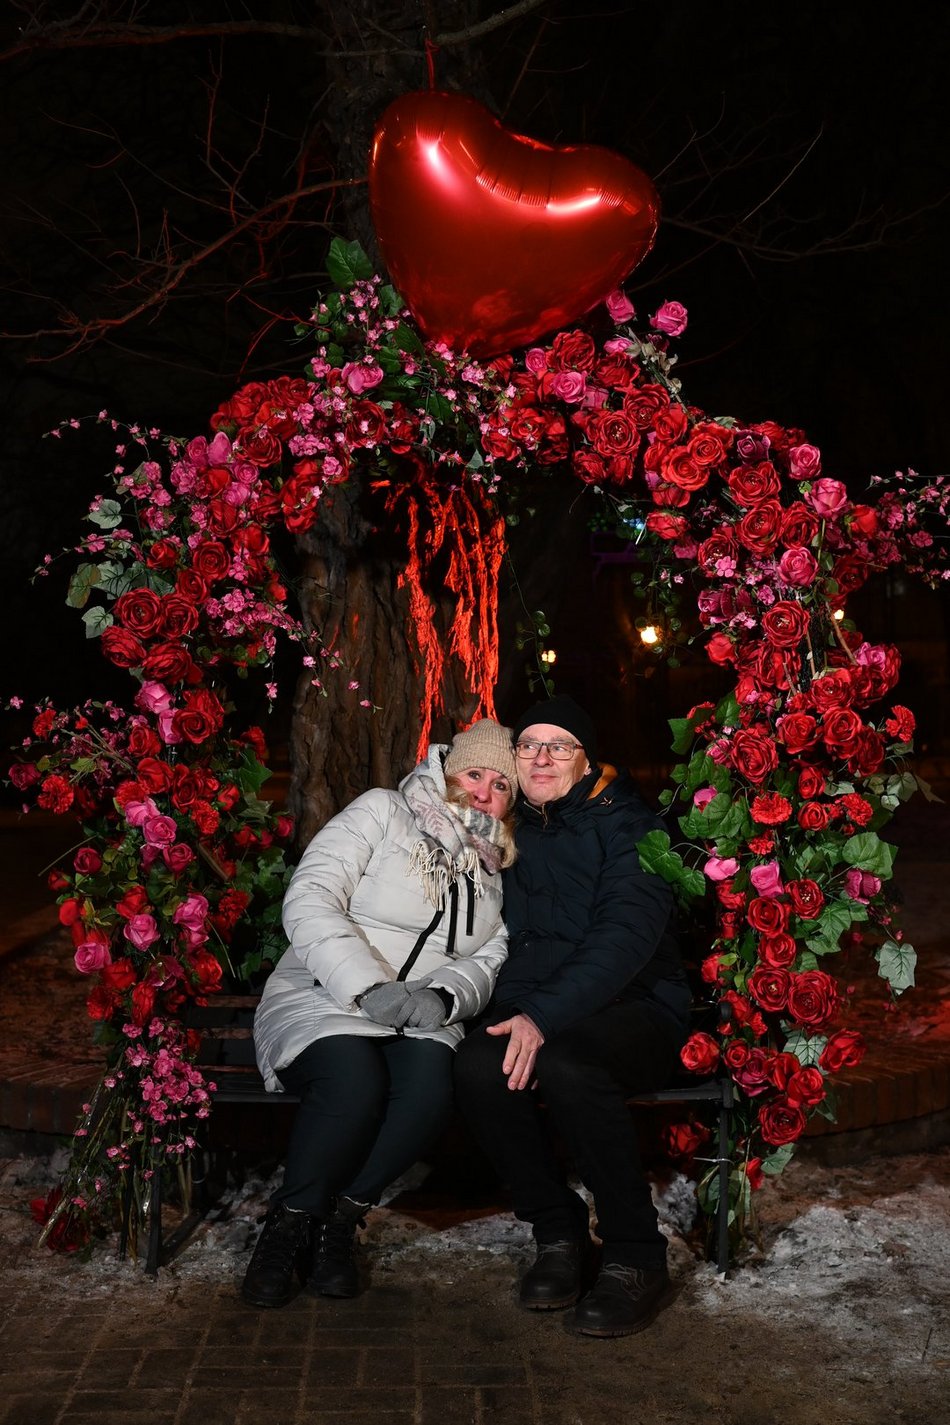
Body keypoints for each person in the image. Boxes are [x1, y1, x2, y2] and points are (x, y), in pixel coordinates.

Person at [241, 718, 517, 1309]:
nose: (483, 792)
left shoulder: (495, 872)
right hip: (323, 990)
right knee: (353, 1081)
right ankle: (288, 1225)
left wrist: (442, 997)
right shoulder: (384, 811)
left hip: (418, 1011)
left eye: (500, 784)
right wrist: (367, 988)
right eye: (474, 773)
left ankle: (340, 1219)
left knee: (428, 1093)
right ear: (447, 769)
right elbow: (311, 896)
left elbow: (490, 958)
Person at [453, 695, 691, 1338]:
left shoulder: (630, 826)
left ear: (587, 759)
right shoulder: (513, 825)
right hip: (538, 1006)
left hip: (635, 1007)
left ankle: (635, 1254)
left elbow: (623, 937)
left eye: (560, 745)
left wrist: (540, 1017)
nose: (542, 757)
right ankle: (558, 1234)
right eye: (530, 744)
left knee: (569, 1066)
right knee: (477, 1065)